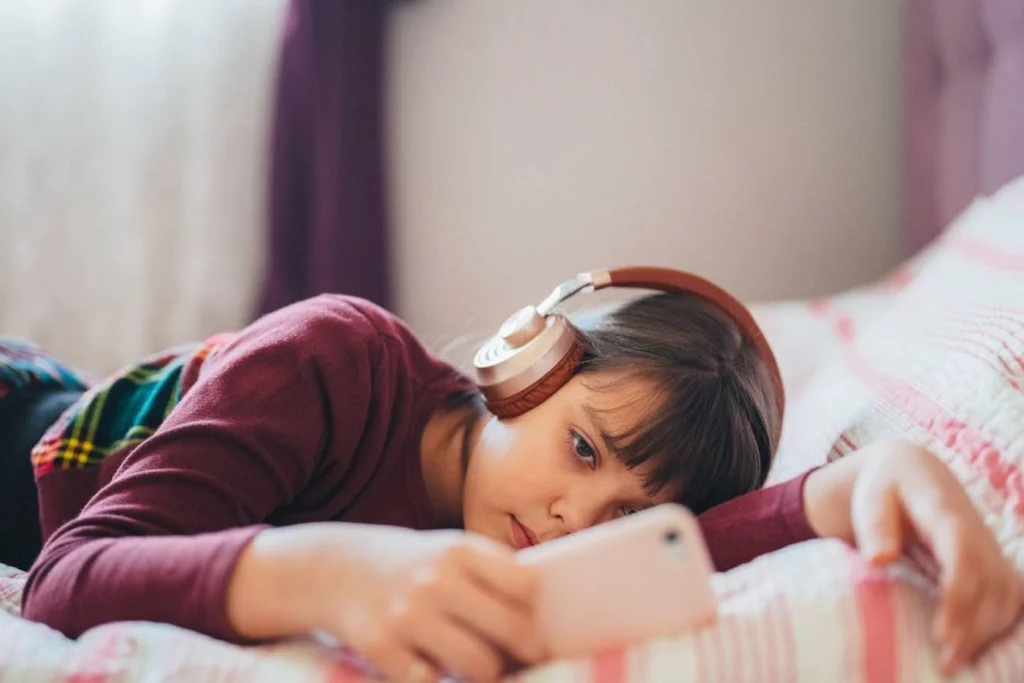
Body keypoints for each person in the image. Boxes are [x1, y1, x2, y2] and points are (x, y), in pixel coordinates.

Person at [0, 267, 1019, 683]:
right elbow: (68, 574)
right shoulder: (332, 357)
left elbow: (695, 547)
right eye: (582, 446)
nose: (575, 517)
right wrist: (327, 574)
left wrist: (877, 472)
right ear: (524, 358)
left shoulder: (552, 538)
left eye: (622, 509)